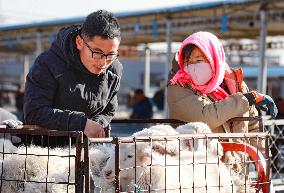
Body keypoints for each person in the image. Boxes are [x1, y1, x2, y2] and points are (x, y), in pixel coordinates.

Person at [167, 31, 277, 152]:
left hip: (236, 165)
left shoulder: (234, 83)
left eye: (199, 60)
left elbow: (252, 125)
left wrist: (260, 158)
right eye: (188, 61)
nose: (193, 66)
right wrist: (247, 99)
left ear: (213, 58)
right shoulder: (178, 85)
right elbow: (205, 117)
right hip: (199, 165)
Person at [23, 10, 123, 140]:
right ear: (79, 42)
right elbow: (34, 112)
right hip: (45, 151)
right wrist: (82, 124)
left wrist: (98, 123)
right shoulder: (48, 63)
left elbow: (109, 110)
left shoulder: (114, 69)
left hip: (88, 149)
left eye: (111, 54)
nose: (104, 62)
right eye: (97, 52)